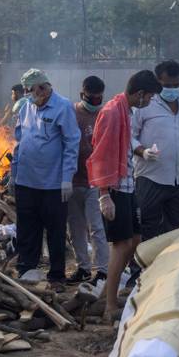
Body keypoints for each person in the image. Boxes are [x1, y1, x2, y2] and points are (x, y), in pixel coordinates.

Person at [88, 70, 161, 321]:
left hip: (128, 184)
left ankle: (109, 293)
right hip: (115, 187)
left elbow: (127, 143)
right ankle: (109, 305)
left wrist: (142, 152)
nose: (149, 102)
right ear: (140, 94)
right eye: (149, 97)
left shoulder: (126, 111)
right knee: (121, 246)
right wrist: (104, 194)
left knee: (135, 240)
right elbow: (101, 154)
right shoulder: (111, 113)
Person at [11, 69, 80, 287]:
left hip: (53, 183)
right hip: (26, 180)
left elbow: (71, 143)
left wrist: (67, 177)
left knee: (55, 230)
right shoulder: (26, 106)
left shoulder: (63, 106)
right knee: (27, 227)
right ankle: (26, 268)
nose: (28, 95)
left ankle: (57, 275)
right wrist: (14, 173)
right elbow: (20, 139)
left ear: (42, 87)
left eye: (30, 90)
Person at [132, 60, 179, 241]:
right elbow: (129, 136)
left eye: (176, 85)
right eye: (166, 85)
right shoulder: (144, 104)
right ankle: (143, 269)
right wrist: (142, 151)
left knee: (178, 230)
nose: (172, 89)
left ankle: (172, 269)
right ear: (157, 83)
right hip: (151, 178)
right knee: (148, 228)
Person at [66, 76, 110, 285]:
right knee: (75, 228)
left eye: (98, 98)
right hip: (73, 180)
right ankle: (83, 267)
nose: (95, 102)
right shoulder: (71, 112)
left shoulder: (103, 114)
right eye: (91, 98)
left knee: (96, 227)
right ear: (82, 94)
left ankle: (102, 270)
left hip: (95, 180)